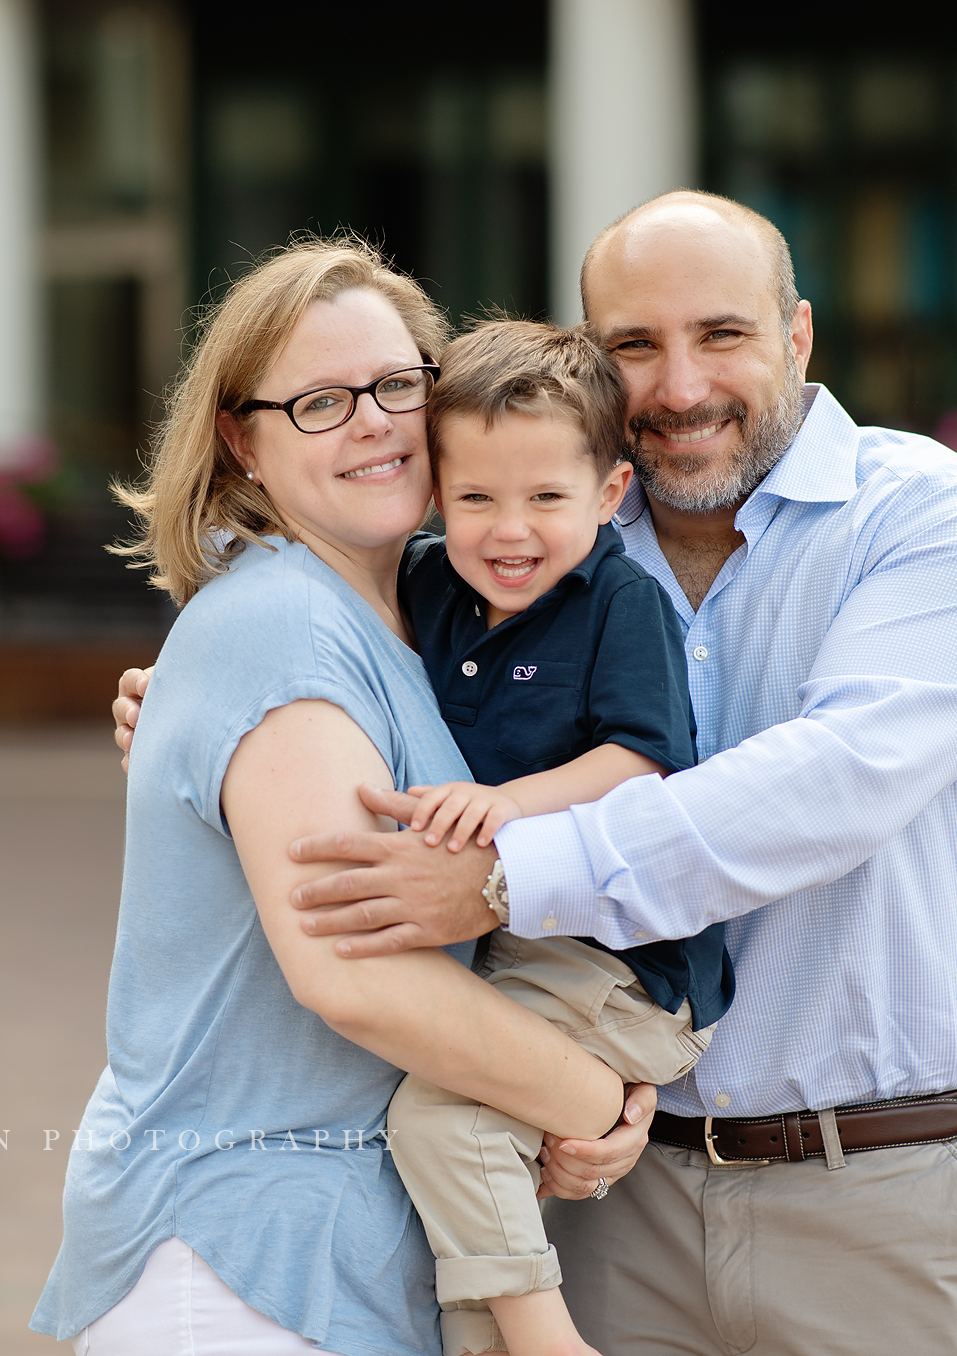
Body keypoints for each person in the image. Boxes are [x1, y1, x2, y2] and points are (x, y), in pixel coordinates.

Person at [114, 190, 957, 1355]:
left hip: (885, 1197)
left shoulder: (931, 520)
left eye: (721, 334)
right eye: (632, 346)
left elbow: (831, 786)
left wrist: (507, 872)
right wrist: (211, 715)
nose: (676, 385)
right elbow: (341, 648)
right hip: (611, 1201)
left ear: (798, 336)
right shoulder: (536, 541)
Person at [34, 237, 658, 1356]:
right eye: (318, 401)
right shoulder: (280, 623)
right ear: (243, 440)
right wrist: (594, 1100)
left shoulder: (421, 619)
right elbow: (354, 971)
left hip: (333, 1256)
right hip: (243, 1262)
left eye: (394, 384)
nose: (371, 421)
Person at [384, 319, 734, 1356]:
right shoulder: (423, 586)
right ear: (434, 492)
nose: (509, 531)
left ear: (610, 492)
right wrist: (167, 694)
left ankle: (549, 1345)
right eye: (477, 498)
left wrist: (512, 802)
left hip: (623, 967)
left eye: (546, 498)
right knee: (465, 1166)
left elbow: (641, 760)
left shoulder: (620, 601)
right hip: (515, 950)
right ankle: (486, 1336)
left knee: (439, 1121)